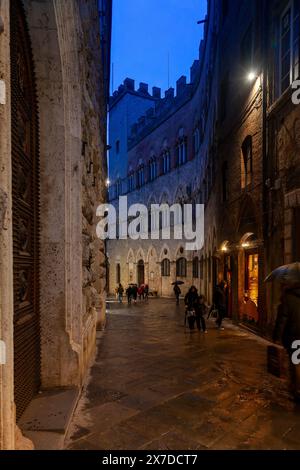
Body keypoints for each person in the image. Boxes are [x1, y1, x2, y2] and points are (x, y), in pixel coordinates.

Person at [273, 283, 300, 401]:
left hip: (295, 336)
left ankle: (297, 389)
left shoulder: (288, 297)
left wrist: (276, 336)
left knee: (296, 363)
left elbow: (282, 319)